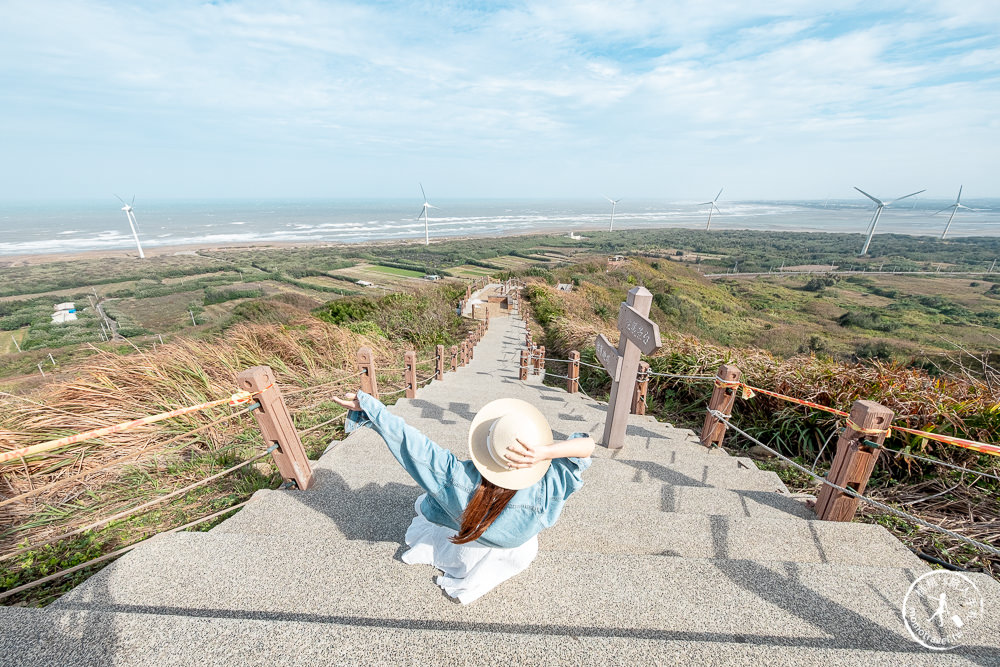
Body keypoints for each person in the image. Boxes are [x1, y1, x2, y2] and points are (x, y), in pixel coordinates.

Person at [332, 390, 595, 604]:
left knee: (431, 495)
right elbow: (587, 445)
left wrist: (371, 408)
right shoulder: (550, 483)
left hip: (466, 531)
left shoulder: (455, 475)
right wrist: (545, 452)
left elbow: (411, 443)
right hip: (514, 545)